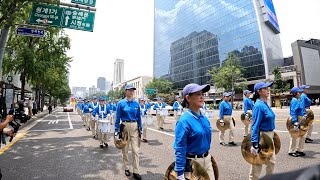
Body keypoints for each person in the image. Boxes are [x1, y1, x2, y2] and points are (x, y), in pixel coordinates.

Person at [174, 83, 215, 180]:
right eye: (197, 94)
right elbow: (180, 148)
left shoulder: (204, 118)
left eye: (202, 94)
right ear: (188, 98)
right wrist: (180, 173)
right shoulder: (183, 121)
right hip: (192, 164)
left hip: (207, 160)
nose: (202, 97)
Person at [114, 84, 142, 180]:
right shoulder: (121, 103)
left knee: (136, 150)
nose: (131, 92)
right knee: (125, 150)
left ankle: (136, 171)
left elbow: (139, 117)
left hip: (134, 126)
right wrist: (116, 131)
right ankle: (126, 168)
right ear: (125, 91)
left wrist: (140, 128)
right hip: (125, 127)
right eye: (129, 90)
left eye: (132, 90)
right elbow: (117, 118)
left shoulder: (136, 104)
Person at [249, 82, 276, 180]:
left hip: (269, 135)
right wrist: (255, 144)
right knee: (258, 163)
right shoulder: (258, 106)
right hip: (262, 137)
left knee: (271, 162)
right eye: (265, 88)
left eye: (267, 88)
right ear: (259, 91)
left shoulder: (265, 104)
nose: (267, 90)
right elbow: (255, 126)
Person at [288, 87, 306, 157]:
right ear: (295, 93)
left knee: (302, 135)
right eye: (299, 92)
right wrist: (295, 122)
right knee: (294, 135)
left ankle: (299, 150)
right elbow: (293, 112)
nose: (300, 93)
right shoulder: (294, 100)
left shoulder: (298, 99)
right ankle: (291, 151)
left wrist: (304, 114)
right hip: (297, 119)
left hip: (300, 118)